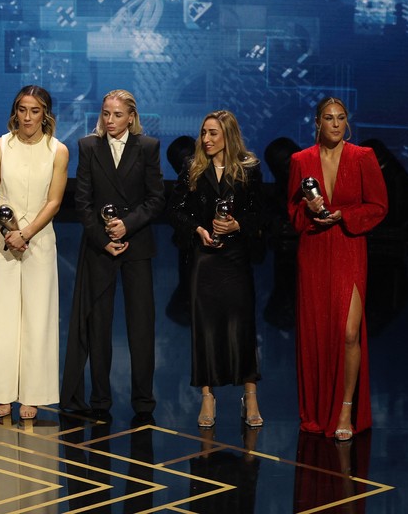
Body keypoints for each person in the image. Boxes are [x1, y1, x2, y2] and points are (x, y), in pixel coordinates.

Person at [60, 89, 165, 422]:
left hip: (136, 245)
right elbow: (83, 201)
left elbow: (156, 198)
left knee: (141, 325)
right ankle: (100, 398)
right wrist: (104, 237)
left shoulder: (147, 148)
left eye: (117, 115)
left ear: (131, 117)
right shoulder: (88, 147)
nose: (110, 120)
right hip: (100, 246)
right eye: (106, 114)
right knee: (99, 325)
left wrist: (127, 225)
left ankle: (143, 400)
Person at [287, 97, 387, 441]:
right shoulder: (301, 161)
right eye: (328, 118)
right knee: (318, 333)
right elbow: (293, 215)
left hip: (348, 247)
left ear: (347, 122)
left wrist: (345, 214)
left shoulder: (363, 157)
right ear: (317, 121)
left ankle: (345, 408)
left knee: (348, 332)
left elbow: (378, 206)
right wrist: (310, 208)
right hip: (314, 250)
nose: (334, 124)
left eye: (340, 118)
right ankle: (316, 410)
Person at [167, 110, 264, 428]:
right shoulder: (192, 167)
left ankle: (250, 396)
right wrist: (198, 230)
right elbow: (177, 210)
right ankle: (207, 397)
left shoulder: (249, 169)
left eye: (212, 134)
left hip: (235, 258)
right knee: (205, 327)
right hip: (204, 259)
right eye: (203, 133)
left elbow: (260, 213)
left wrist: (238, 224)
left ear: (228, 136)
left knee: (242, 326)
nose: (206, 140)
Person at [0, 86, 68, 420]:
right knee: (1, 316)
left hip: (39, 240)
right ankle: (1, 393)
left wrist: (26, 233)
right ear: (14, 111)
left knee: (38, 316)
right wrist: (8, 232)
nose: (27, 117)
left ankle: (32, 393)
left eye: (35, 110)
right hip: (3, 241)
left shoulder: (57, 151)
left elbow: (55, 201)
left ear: (45, 113)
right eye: (22, 109)